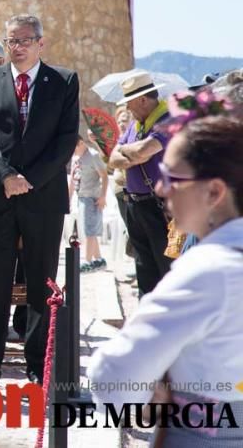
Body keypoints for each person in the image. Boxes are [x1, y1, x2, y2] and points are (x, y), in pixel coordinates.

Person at [88, 114, 243, 447]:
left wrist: (151, 395)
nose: (161, 187)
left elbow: (114, 373)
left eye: (171, 176)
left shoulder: (207, 271)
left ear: (214, 191)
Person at [0, 14, 79, 386]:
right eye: (11, 41)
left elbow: (65, 140)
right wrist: (6, 177)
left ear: (40, 43)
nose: (17, 47)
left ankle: (37, 367)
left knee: (39, 285)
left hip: (43, 197)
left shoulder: (63, 81)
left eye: (24, 41)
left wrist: (29, 180)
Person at [108, 71, 172, 296]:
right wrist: (130, 153)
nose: (128, 109)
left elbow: (146, 150)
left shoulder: (167, 121)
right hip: (136, 204)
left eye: (130, 103)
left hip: (160, 206)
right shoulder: (137, 126)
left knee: (166, 267)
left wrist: (128, 151)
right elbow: (114, 158)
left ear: (143, 100)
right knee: (144, 267)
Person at [70, 137, 108, 272]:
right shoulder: (75, 157)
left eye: (74, 146)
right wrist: (69, 199)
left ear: (81, 143)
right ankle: (98, 259)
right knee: (88, 228)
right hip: (81, 196)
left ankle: (87, 261)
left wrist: (103, 196)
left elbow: (104, 175)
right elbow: (73, 180)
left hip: (92, 197)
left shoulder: (93, 155)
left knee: (89, 231)